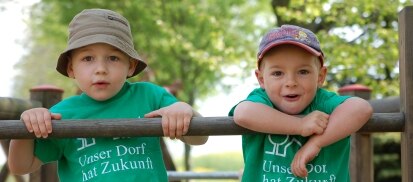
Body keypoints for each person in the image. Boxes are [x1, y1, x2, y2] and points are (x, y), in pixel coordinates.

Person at [8, 8, 208, 181]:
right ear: (71, 69)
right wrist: (24, 129)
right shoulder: (62, 113)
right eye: (88, 58)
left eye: (113, 58)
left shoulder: (149, 95)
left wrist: (184, 111)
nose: (101, 69)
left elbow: (199, 139)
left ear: (130, 66)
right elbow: (21, 167)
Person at [229, 25, 372, 181]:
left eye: (303, 72)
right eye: (278, 73)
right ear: (261, 79)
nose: (291, 82)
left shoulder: (323, 101)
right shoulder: (262, 101)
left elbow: (361, 108)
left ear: (320, 76)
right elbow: (243, 113)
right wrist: (301, 125)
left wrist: (315, 144)